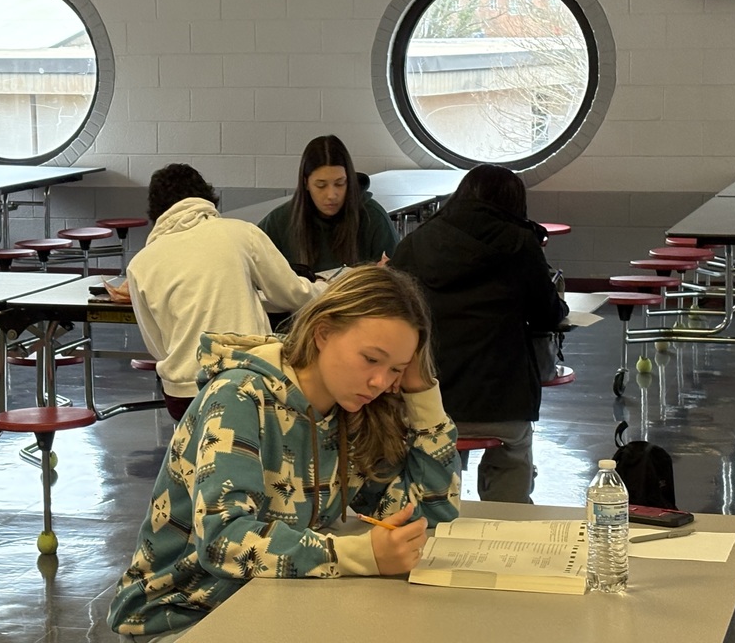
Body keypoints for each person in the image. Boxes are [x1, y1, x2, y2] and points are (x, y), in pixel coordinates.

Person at [108, 265, 461, 640]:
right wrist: (358, 555)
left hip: (273, 600)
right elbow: (223, 542)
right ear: (323, 332)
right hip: (180, 615)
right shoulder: (240, 396)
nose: (380, 382)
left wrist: (422, 394)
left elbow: (428, 512)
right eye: (371, 359)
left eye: (396, 369)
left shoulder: (353, 413)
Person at [389, 164, 568, 504]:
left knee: (431, 464)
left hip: (430, 400)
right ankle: (510, 522)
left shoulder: (414, 243)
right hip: (505, 402)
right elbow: (546, 316)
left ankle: (437, 512)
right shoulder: (520, 243)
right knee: (515, 451)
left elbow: (392, 316)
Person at [126, 163, 325, 420]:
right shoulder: (241, 233)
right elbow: (292, 294)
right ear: (208, 199)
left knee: (198, 454)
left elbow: (157, 345)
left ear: (157, 212)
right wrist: (324, 288)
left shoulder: (140, 264)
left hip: (182, 392)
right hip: (245, 381)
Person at [258, 135, 398, 274]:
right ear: (306, 183)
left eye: (339, 183)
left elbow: (399, 279)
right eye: (321, 185)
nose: (331, 195)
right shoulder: (279, 221)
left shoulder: (373, 217)